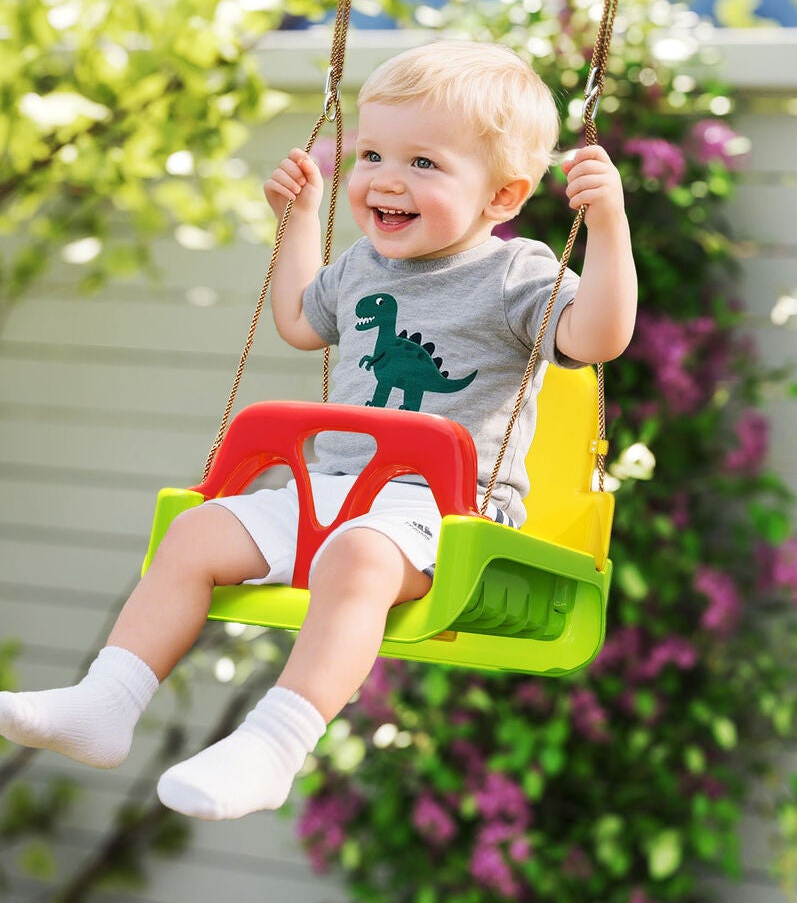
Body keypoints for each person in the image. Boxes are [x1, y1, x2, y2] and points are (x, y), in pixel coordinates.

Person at [0, 41, 637, 820]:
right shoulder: (364, 263)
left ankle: (275, 745)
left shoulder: (516, 274)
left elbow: (597, 338)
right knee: (197, 532)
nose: (386, 179)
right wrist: (300, 219)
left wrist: (608, 226)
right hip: (330, 489)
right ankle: (105, 704)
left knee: (356, 554)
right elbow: (302, 322)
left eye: (424, 163)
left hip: (446, 511)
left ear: (502, 195)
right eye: (371, 154)